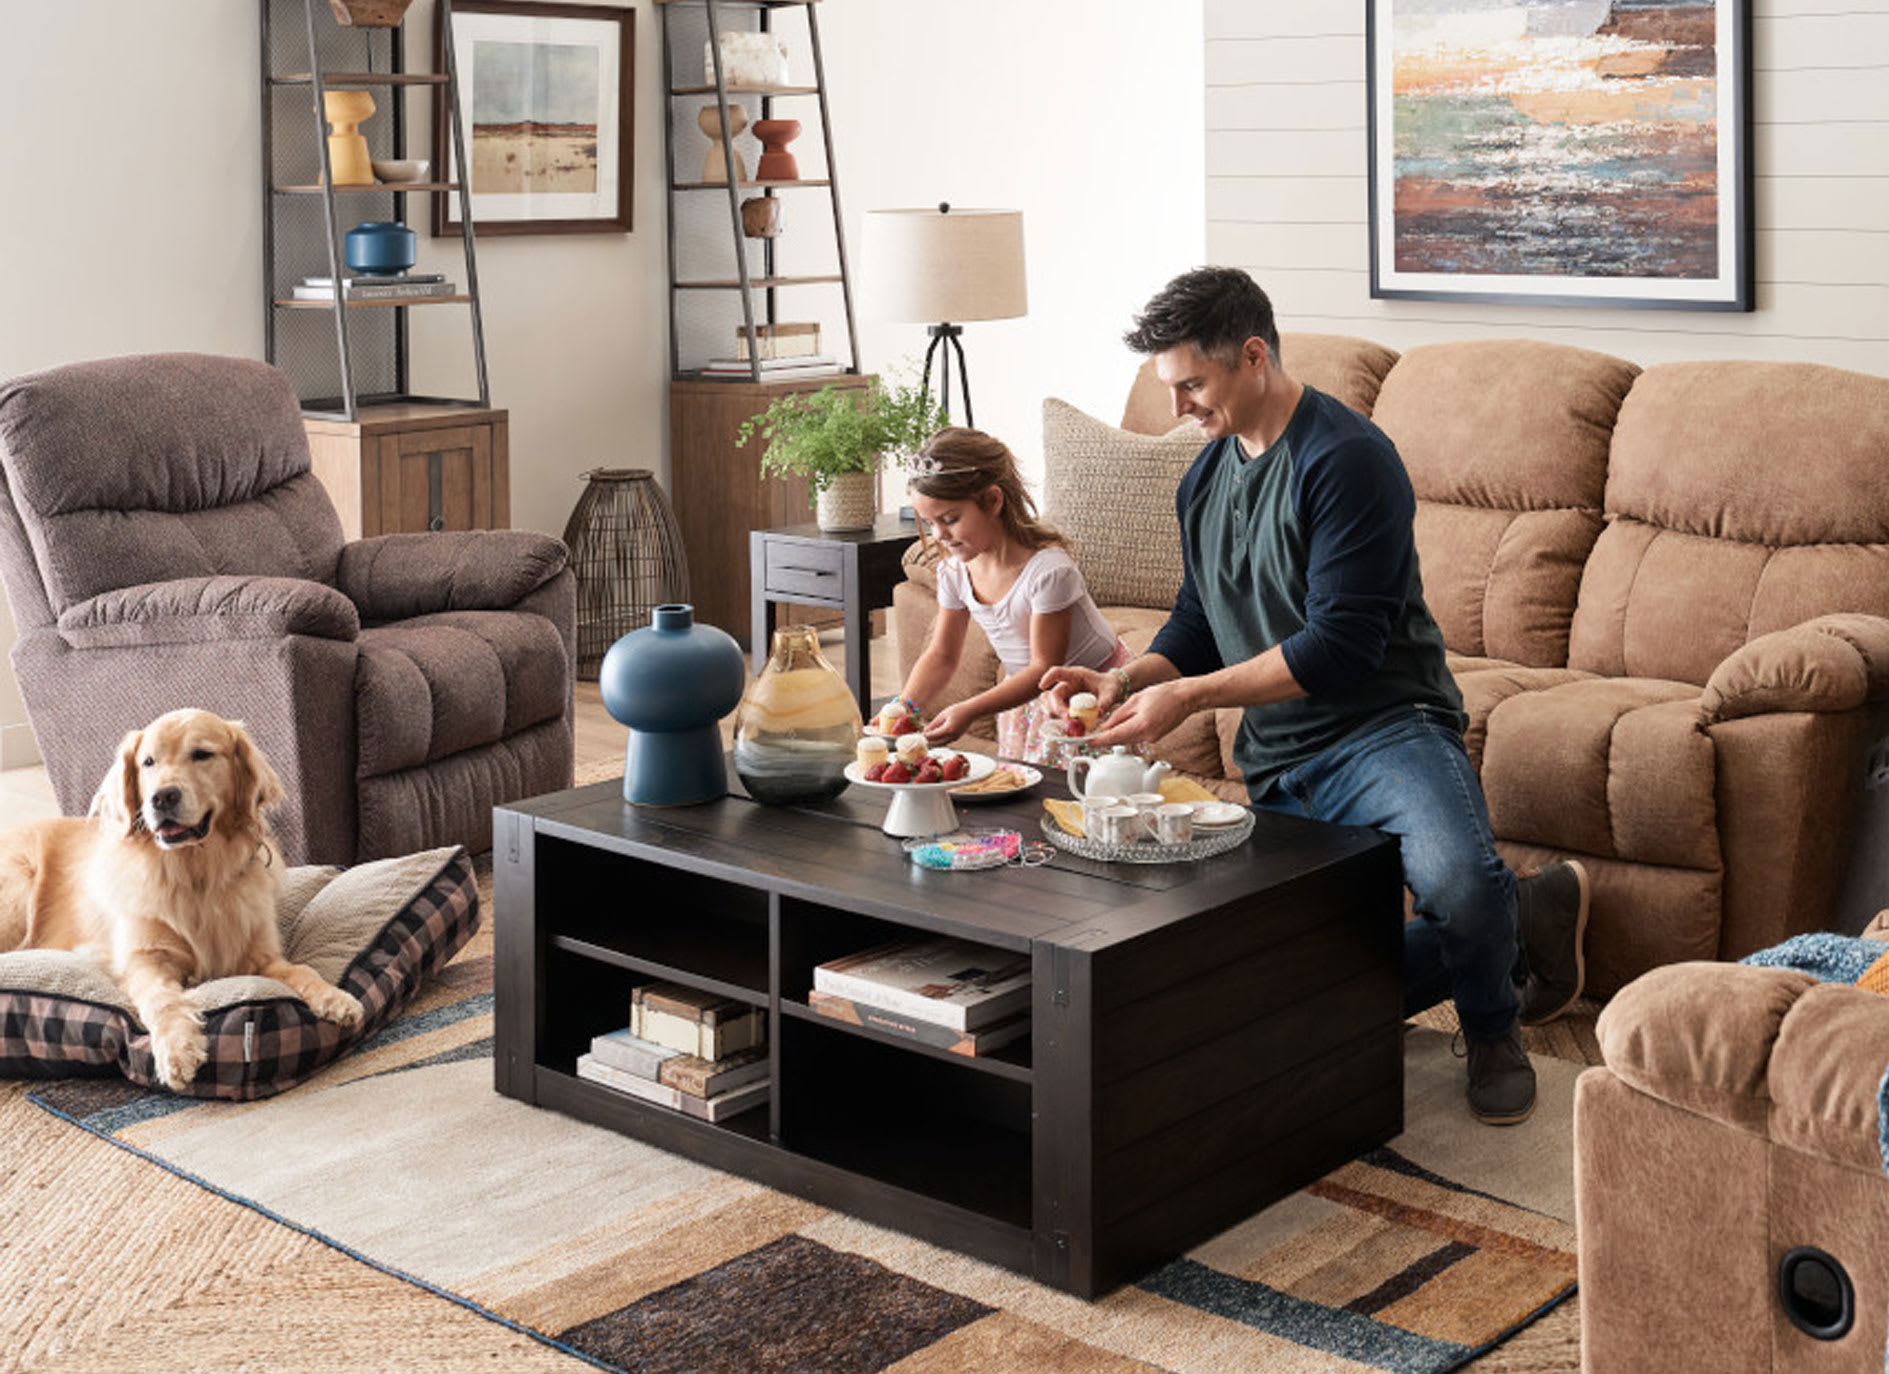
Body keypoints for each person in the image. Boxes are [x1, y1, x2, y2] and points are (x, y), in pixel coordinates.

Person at [1041, 267, 1588, 1126]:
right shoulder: (1204, 475)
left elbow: (1340, 647)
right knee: (1271, 992)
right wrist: (1126, 677)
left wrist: (1185, 703)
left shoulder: (1347, 459)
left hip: (1384, 730)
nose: (1178, 404)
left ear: (1252, 357)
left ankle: (1491, 1021)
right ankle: (1520, 910)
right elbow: (1199, 614)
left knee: (1454, 884)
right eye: (1170, 386)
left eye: (1192, 383)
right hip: (1280, 754)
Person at [888, 427, 1129, 764]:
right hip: (1029, 696)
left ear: (992, 501)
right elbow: (942, 655)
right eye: (929, 523)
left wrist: (970, 710)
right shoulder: (954, 572)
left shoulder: (1048, 572)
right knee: (1023, 791)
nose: (939, 535)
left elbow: (1046, 667)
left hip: (1088, 696)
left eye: (950, 519)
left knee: (1081, 792)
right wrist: (903, 708)